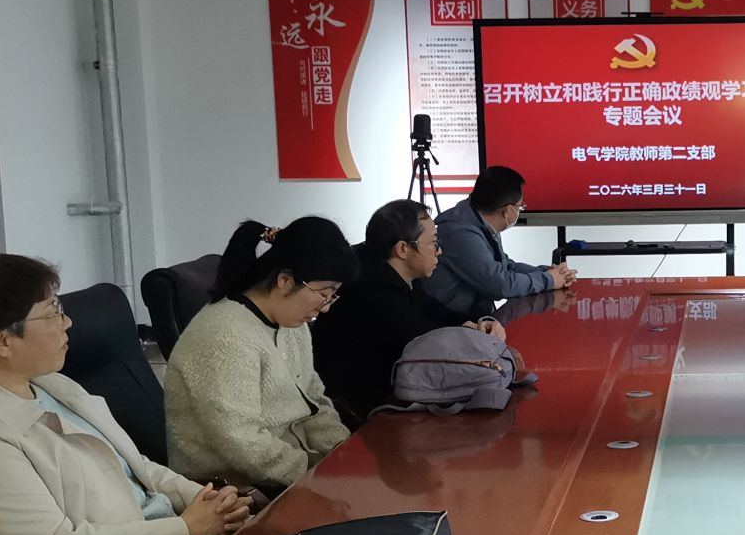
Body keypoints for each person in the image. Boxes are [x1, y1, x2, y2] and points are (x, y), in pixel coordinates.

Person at [0, 253, 251, 535]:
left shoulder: (48, 384)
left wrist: (203, 499)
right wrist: (185, 529)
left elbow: (135, 467)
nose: (67, 322)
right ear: (3, 342)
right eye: (52, 312)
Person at [165, 216, 358, 493]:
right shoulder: (226, 336)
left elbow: (313, 398)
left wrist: (342, 451)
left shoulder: (291, 322)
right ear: (285, 280)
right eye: (324, 293)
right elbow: (242, 442)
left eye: (333, 294)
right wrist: (316, 473)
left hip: (290, 470)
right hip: (234, 490)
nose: (325, 307)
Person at [313, 199, 508, 422]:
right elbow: (428, 340)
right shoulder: (374, 290)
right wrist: (473, 333)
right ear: (403, 249)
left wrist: (481, 322)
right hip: (364, 408)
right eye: (433, 243)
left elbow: (436, 311)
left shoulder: (394, 271)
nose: (439, 251)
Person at [421, 166, 574, 316]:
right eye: (520, 207)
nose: (520, 211)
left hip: (475, 318)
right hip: (451, 322)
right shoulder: (459, 233)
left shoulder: (480, 220)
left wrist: (546, 272)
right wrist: (549, 280)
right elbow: (499, 285)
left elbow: (504, 265)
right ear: (506, 211)